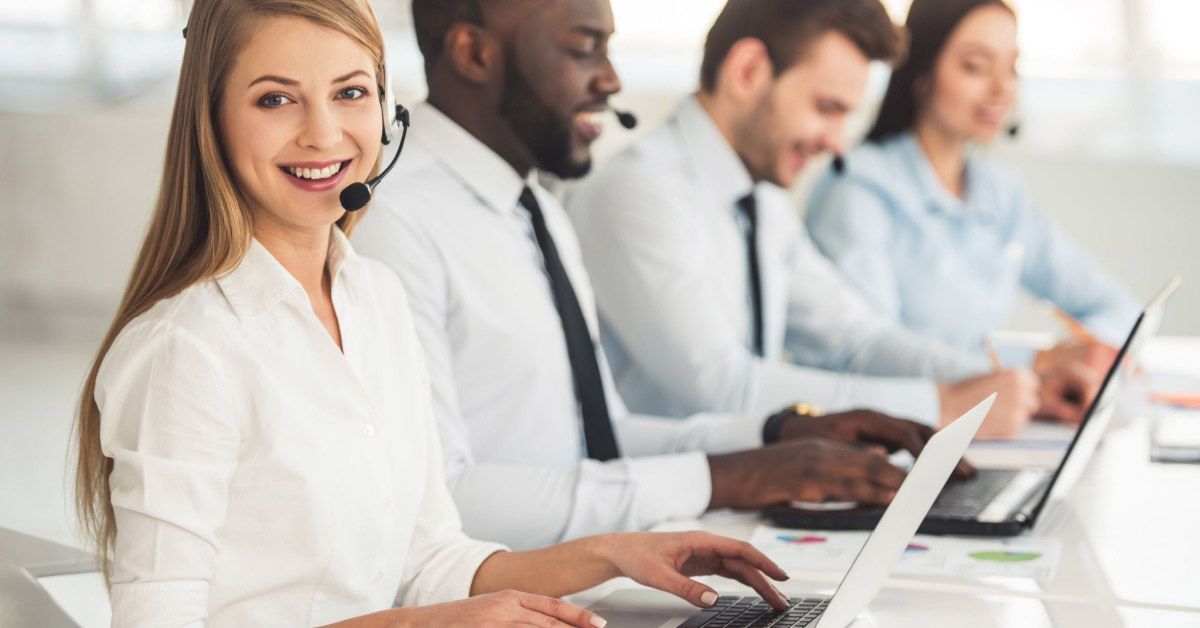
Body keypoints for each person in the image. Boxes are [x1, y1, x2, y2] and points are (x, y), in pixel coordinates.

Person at [71, 1, 794, 624]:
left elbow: (428, 559)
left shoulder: (374, 297)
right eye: (275, 99)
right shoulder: (188, 349)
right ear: (213, 122)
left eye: (351, 93)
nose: (324, 134)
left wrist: (611, 553)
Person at [353, 0, 967, 552]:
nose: (611, 79)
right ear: (474, 53)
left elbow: (600, 435)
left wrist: (779, 435)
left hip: (595, 567)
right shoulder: (394, 221)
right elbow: (441, 498)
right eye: (582, 47)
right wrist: (723, 476)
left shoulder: (535, 209)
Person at [567, 0, 1092, 437]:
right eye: (827, 107)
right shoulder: (638, 190)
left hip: (738, 494)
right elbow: (721, 388)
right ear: (748, 71)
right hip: (652, 520)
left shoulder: (760, 197)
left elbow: (853, 337)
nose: (838, 142)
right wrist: (942, 406)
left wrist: (999, 382)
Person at [805, 0, 1140, 380]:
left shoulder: (1000, 192)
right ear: (923, 71)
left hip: (981, 418)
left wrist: (1088, 355)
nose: (1001, 89)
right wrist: (1031, 366)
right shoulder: (856, 187)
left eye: (1012, 67)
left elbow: (1116, 306)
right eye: (975, 67)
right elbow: (873, 355)